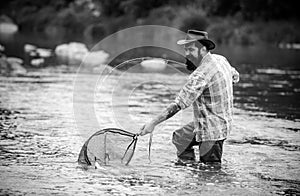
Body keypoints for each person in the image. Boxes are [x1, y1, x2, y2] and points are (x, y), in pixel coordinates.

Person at [139, 30, 239, 165]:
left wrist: (153, 123)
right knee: (180, 138)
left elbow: (178, 104)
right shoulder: (221, 60)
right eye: (186, 50)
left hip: (213, 133)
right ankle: (190, 167)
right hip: (214, 122)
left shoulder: (200, 75)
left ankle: (203, 178)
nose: (186, 54)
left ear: (203, 49)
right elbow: (235, 76)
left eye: (191, 50)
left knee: (210, 173)